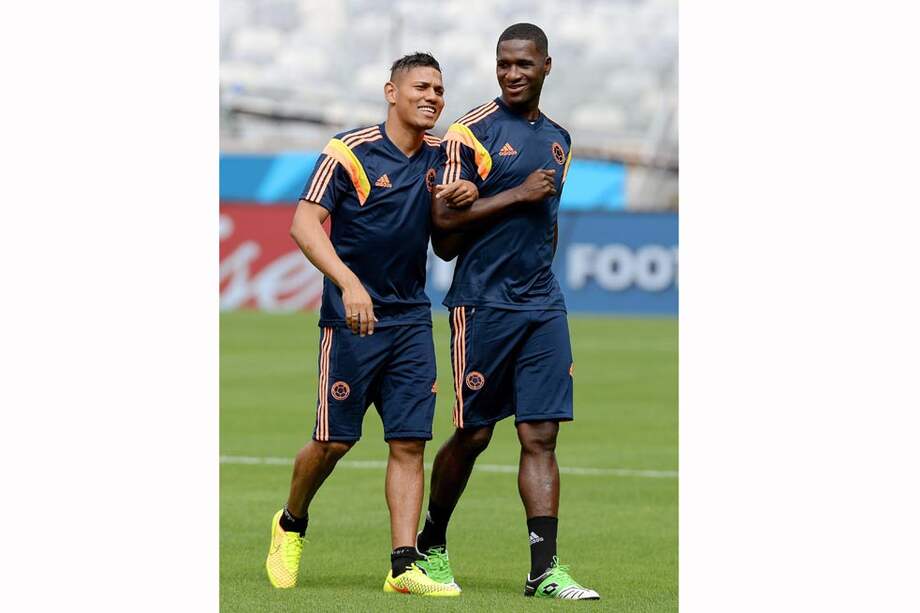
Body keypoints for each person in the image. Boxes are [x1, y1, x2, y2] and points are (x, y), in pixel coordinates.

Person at [265, 52, 477, 597]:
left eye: (439, 90)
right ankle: (290, 522)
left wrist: (466, 196)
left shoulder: (442, 156)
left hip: (410, 318)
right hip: (351, 321)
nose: (432, 97)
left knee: (410, 443)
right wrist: (348, 283)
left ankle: (403, 567)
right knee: (333, 443)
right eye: (421, 87)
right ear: (391, 92)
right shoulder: (349, 151)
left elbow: (455, 222)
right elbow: (303, 224)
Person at [418, 24, 601, 600]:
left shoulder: (559, 140)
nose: (512, 73)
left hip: (542, 303)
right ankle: (431, 541)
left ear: (546, 65)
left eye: (523, 63)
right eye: (503, 64)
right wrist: (516, 194)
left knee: (541, 435)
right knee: (473, 435)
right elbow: (443, 229)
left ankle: (543, 570)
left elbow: (544, 223)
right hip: (482, 303)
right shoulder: (470, 133)